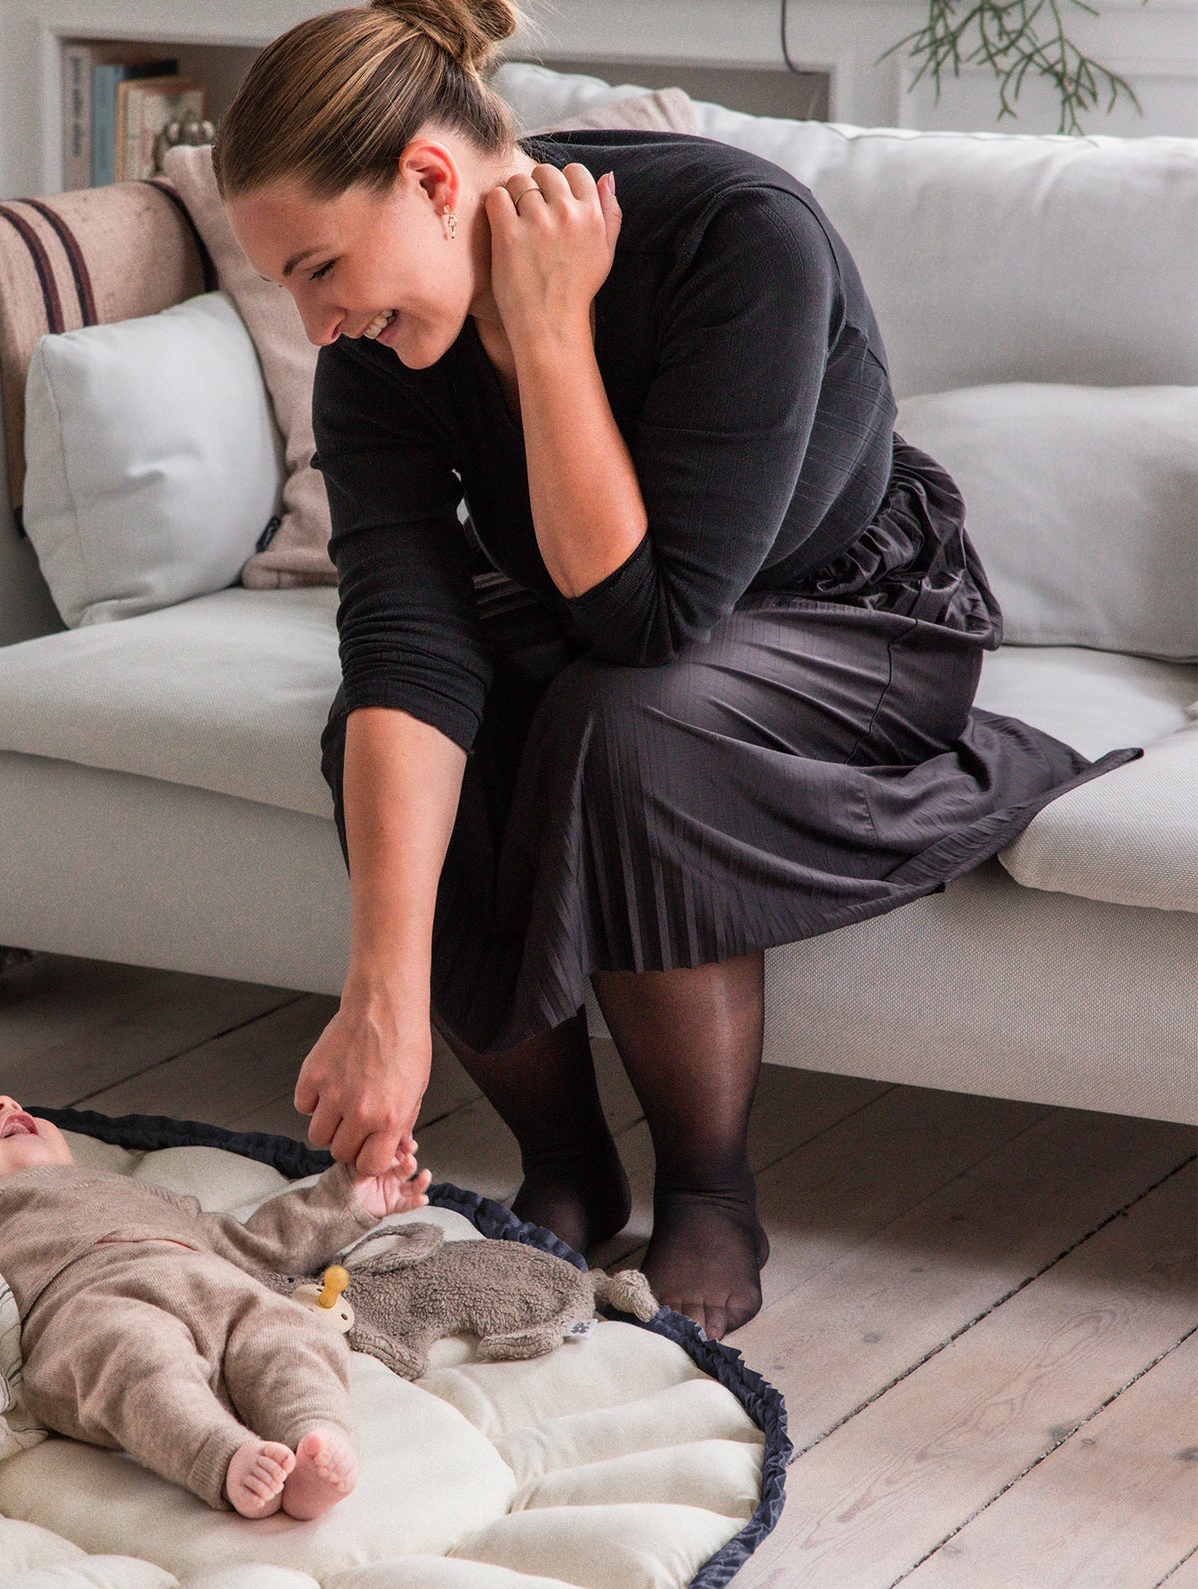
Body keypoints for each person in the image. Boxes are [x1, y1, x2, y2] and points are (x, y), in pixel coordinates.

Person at [215, 0, 1133, 1339]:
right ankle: (565, 1161)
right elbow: (406, 636)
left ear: (430, 180)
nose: (315, 323)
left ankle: (709, 1187)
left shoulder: (737, 235)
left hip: (847, 616)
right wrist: (380, 999)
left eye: (318, 268)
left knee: (624, 721)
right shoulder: (377, 349)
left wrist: (547, 334)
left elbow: (652, 620)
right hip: (602, 614)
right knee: (386, 719)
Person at [0, 1093, 431, 1518]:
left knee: (287, 1329)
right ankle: (220, 1454)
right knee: (134, 1358)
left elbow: (254, 1243)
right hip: (83, 1308)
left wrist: (352, 1198)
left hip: (206, 1279)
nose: (5, 1103)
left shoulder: (133, 1192)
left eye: (3, 1102)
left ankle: (315, 1436)